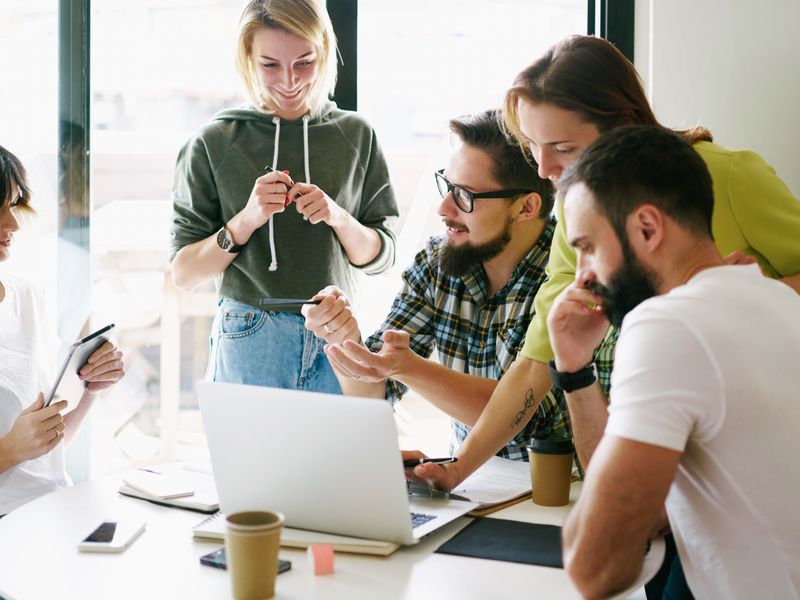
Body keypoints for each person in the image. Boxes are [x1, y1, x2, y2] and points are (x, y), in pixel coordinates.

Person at [554, 125, 800, 599]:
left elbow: (596, 567)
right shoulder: (779, 302)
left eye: (586, 246)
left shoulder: (667, 326)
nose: (583, 274)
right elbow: (657, 513)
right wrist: (574, 367)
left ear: (647, 228)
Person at [302, 110, 567, 458]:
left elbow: (531, 418)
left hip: (560, 491)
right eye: (447, 186)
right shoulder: (438, 262)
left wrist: (408, 367)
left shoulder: (568, 274)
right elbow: (375, 394)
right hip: (471, 483)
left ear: (526, 207)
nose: (444, 208)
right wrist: (346, 341)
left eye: (465, 195)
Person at [169, 0, 398, 392]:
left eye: (304, 62)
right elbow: (185, 274)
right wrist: (247, 219)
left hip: (338, 333)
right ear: (247, 58)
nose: (289, 80)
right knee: (249, 456)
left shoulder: (358, 134)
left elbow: (382, 259)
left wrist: (338, 217)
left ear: (324, 52)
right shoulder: (213, 141)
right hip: (249, 332)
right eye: (270, 65)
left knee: (339, 455)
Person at [0, 145, 125, 515]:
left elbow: (48, 452)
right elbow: (21, 449)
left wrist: (91, 387)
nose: (13, 224)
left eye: (13, 205)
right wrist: (9, 450)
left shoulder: (27, 296)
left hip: (53, 507)